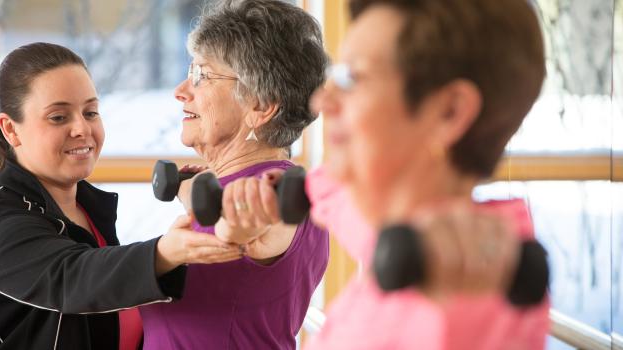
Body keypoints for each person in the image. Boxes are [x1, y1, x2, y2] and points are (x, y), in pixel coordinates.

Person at [236, 0, 551, 349]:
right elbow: (339, 201)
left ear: (449, 112)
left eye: (353, 78)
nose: (321, 103)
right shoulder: (396, 231)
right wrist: (298, 190)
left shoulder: (457, 301)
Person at [0, 42, 242, 350]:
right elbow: (75, 278)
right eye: (58, 117)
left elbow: (115, 300)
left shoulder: (83, 207)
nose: (82, 128)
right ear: (11, 130)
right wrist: (165, 252)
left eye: (90, 112)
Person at [137, 1, 330, 349]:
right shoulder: (283, 186)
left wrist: (212, 204)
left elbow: (242, 225)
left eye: (201, 75)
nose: (180, 89)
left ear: (259, 106)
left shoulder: (267, 197)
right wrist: (193, 191)